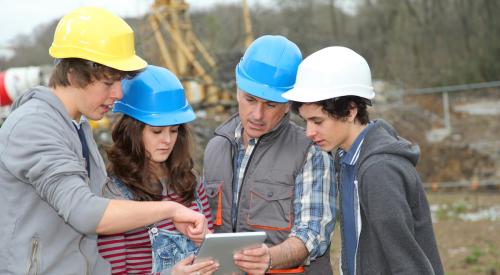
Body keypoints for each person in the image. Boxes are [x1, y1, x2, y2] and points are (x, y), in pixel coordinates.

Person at [0, 7, 207, 274]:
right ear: (74, 75)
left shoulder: (78, 126)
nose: (119, 93)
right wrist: (171, 210)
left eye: (120, 81)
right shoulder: (34, 126)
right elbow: (85, 213)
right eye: (109, 82)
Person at [282, 46, 444, 275]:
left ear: (350, 111)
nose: (309, 132)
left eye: (318, 121)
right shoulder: (347, 161)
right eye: (306, 121)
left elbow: (406, 262)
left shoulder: (379, 171)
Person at [203, 35, 336, 275]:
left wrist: (270, 258)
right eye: (250, 99)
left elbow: (313, 233)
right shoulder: (215, 147)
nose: (257, 114)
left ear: (289, 104)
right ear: (237, 90)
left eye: (271, 104)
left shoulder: (310, 152)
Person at [98, 65, 218, 275]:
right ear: (131, 131)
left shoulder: (191, 182)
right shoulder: (114, 194)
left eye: (174, 130)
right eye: (156, 131)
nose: (167, 140)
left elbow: (211, 252)